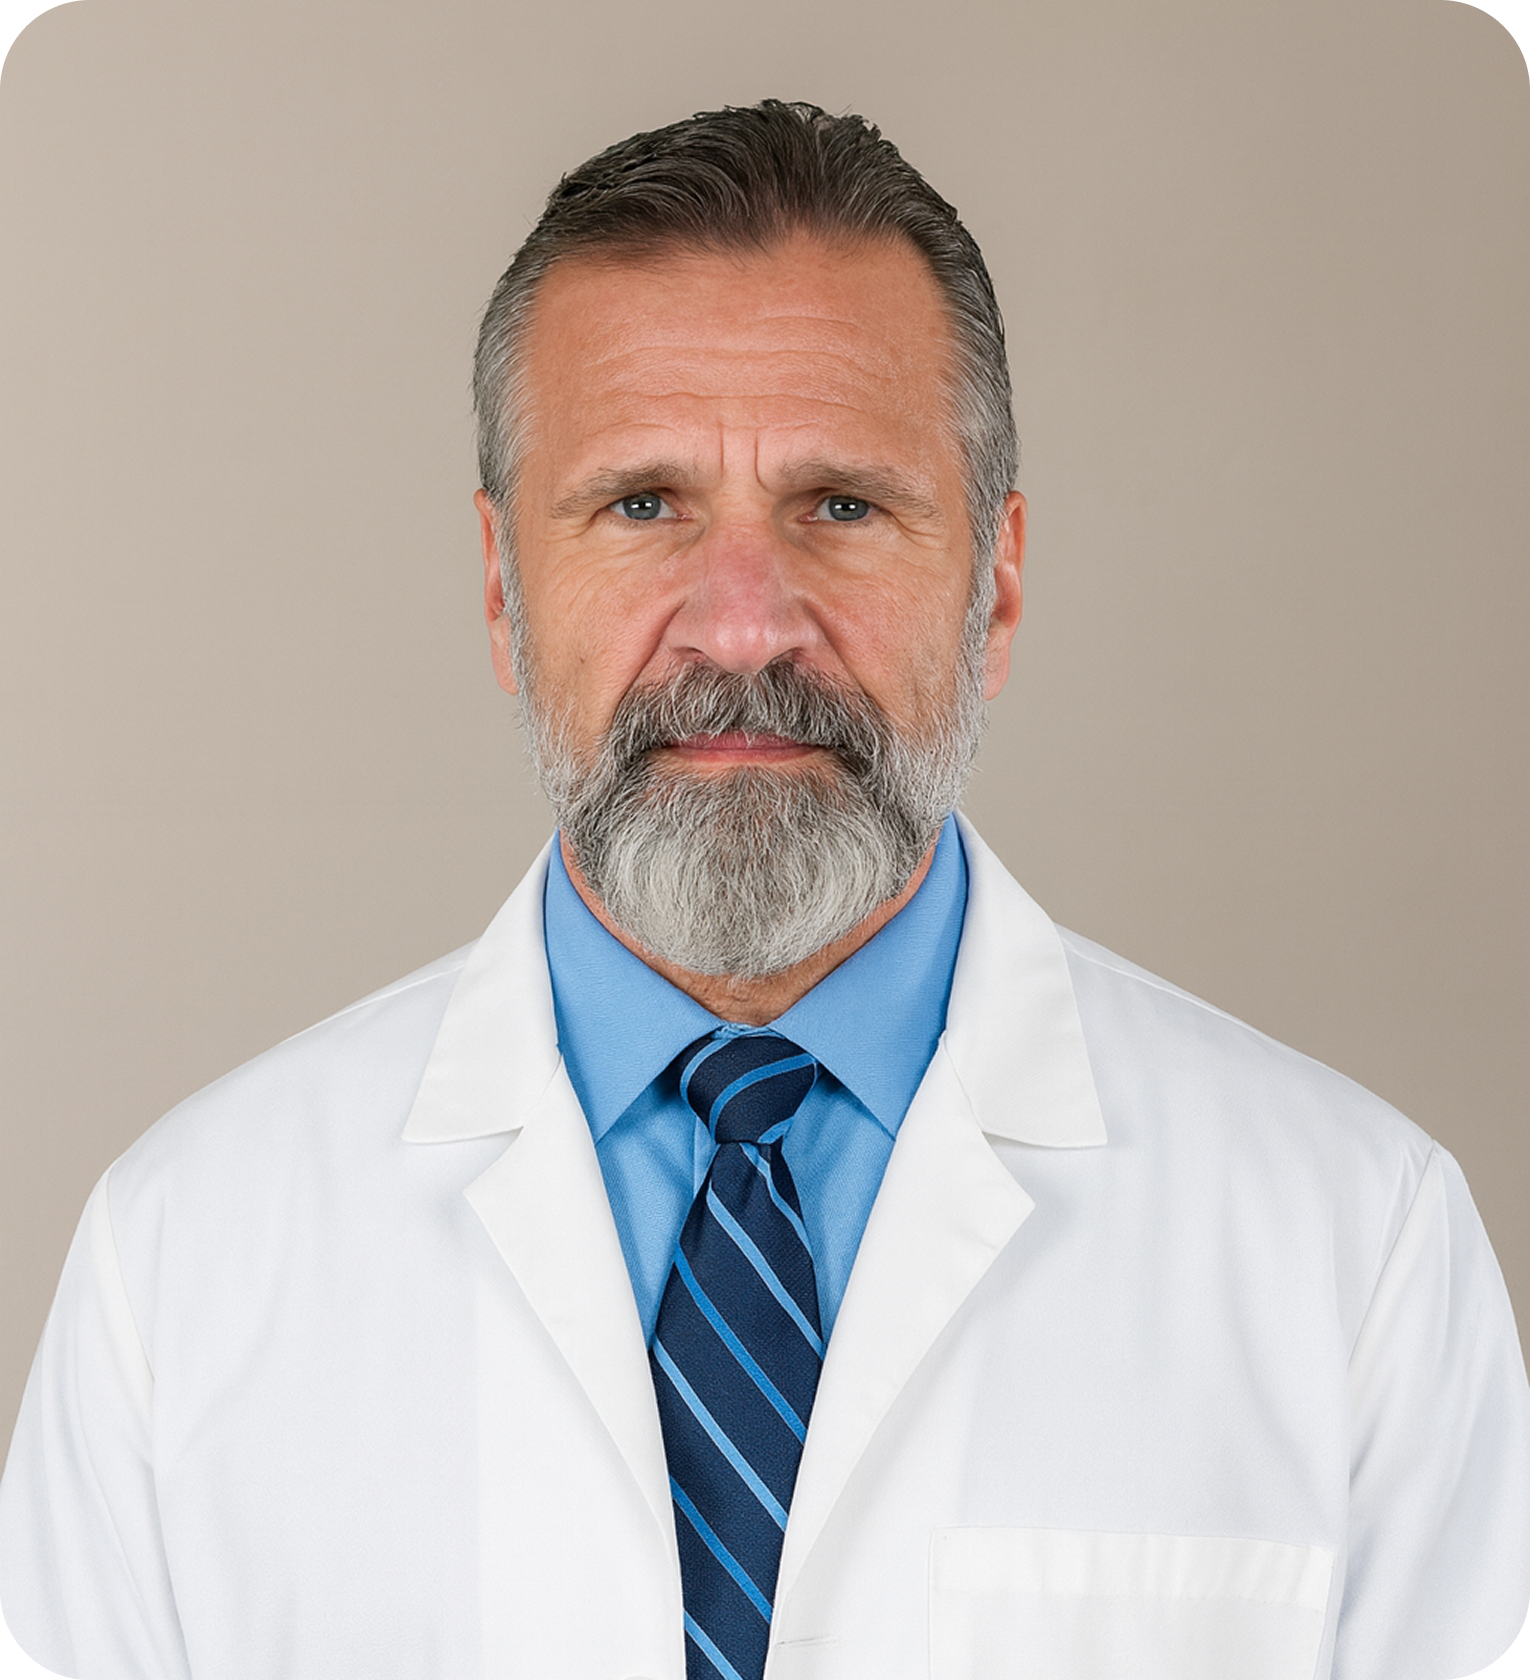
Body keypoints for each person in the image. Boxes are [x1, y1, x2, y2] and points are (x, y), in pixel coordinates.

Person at [1, 99, 1526, 1680]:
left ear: (992, 583)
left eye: (842, 505)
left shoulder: (1354, 1251)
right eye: (642, 504)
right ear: (500, 584)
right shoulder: (182, 1265)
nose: (740, 629)